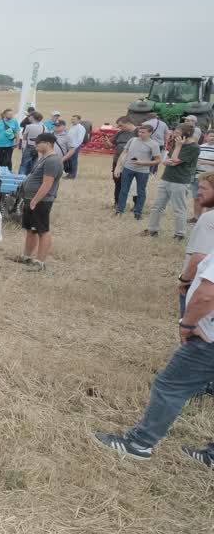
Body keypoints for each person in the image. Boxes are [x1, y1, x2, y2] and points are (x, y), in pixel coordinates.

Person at [92, 251, 214, 467]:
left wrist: (188, 323)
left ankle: (139, 443)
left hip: (208, 339)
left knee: (170, 387)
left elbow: (207, 295)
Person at [10, 133, 62, 272]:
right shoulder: (44, 158)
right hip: (31, 198)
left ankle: (40, 262)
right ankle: (26, 256)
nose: (35, 145)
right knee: (30, 229)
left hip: (41, 201)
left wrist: (35, 200)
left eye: (38, 142)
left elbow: (47, 184)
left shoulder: (52, 161)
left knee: (42, 230)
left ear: (48, 143)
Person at [144, 124, 200, 239]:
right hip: (166, 178)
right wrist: (167, 160)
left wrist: (178, 147)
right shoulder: (176, 142)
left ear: (187, 134)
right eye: (175, 132)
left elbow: (174, 161)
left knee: (179, 209)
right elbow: (167, 160)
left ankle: (180, 234)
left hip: (180, 181)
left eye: (178, 133)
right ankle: (152, 230)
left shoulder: (194, 147)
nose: (174, 135)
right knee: (157, 206)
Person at [178, 174, 214, 315]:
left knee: (190, 326)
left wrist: (184, 279)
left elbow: (199, 256)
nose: (198, 192)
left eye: (204, 188)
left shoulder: (208, 219)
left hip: (200, 285)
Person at [114, 123, 163, 219]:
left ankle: (138, 213)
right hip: (128, 168)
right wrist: (118, 167)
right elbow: (124, 153)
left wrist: (143, 163)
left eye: (143, 132)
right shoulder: (132, 140)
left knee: (141, 192)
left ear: (150, 133)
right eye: (139, 132)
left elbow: (158, 160)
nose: (140, 134)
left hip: (143, 171)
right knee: (124, 190)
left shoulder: (154, 145)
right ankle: (119, 211)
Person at [110, 119, 138, 208]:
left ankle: (137, 204)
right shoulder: (120, 133)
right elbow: (111, 144)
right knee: (118, 182)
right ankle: (118, 203)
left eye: (121, 125)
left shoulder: (139, 132)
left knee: (135, 184)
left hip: (132, 163)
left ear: (129, 123)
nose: (120, 127)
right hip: (118, 161)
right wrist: (106, 142)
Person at [193, 130, 214, 221]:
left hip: (210, 179)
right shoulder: (200, 147)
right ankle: (196, 217)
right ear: (206, 137)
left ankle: (205, 219)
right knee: (196, 198)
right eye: (211, 136)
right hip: (197, 176)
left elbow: (201, 161)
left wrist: (204, 162)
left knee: (209, 199)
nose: (213, 138)